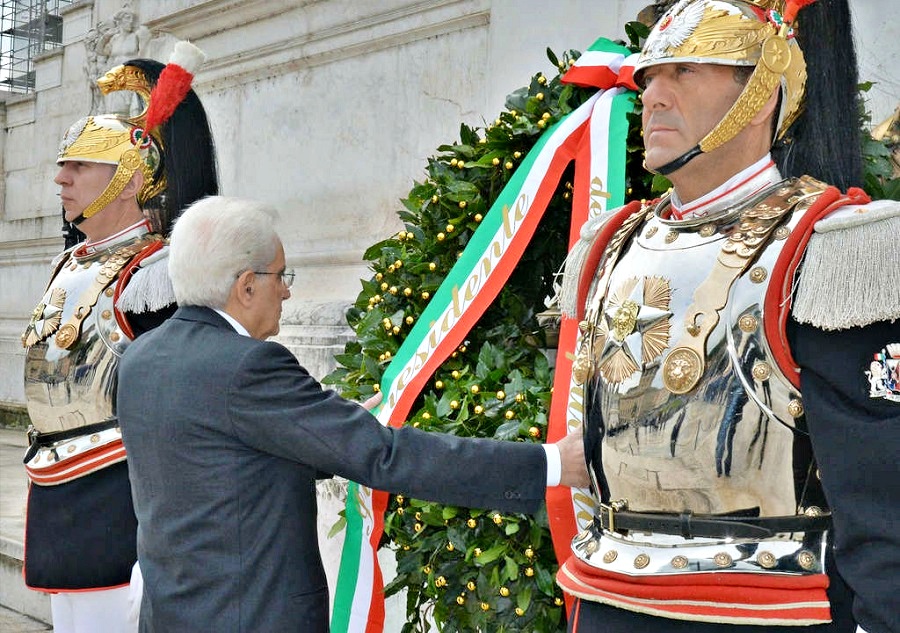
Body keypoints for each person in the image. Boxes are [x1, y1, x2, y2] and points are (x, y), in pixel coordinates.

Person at [554, 0, 899, 632]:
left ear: (763, 91)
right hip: (606, 592)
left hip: (763, 609)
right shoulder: (613, 241)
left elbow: (883, 507)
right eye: (648, 75)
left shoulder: (832, 248)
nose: (652, 94)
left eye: (685, 70)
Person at [115, 195, 590, 633]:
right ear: (245, 286)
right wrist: (548, 464)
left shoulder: (139, 359)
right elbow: (385, 457)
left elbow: (216, 457)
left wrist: (328, 429)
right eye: (281, 276)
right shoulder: (248, 365)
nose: (286, 293)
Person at [20, 42, 218, 633]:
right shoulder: (72, 262)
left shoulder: (157, 273)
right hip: (55, 489)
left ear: (131, 179)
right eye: (64, 162)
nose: (61, 177)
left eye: (80, 164)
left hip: (122, 498)